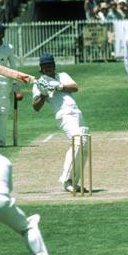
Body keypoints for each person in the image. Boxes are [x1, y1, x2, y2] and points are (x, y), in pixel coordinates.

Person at [31, 53, 89, 193]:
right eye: (45, 66)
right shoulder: (39, 83)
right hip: (64, 115)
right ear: (41, 68)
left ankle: (74, 182)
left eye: (50, 65)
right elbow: (36, 107)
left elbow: (75, 87)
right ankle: (66, 180)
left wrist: (59, 87)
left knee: (85, 146)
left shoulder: (62, 75)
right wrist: (44, 94)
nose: (48, 68)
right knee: (78, 141)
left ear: (54, 66)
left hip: (76, 112)